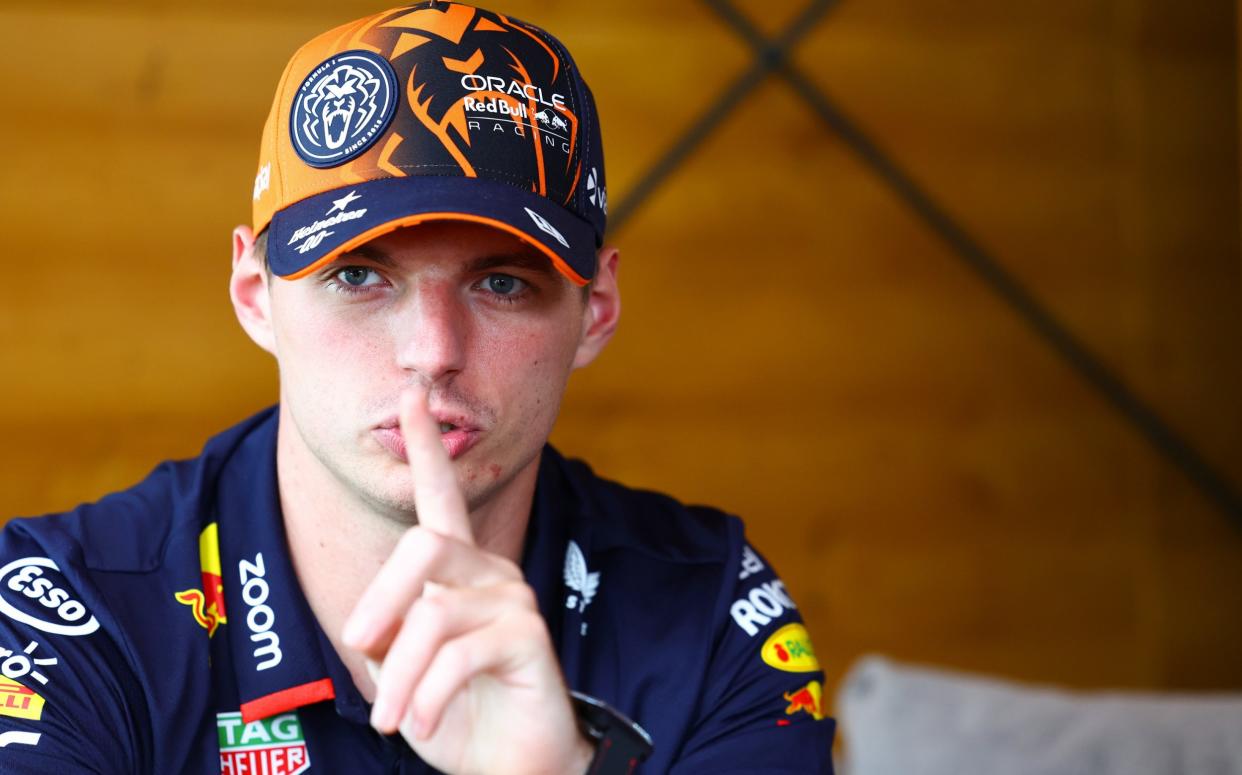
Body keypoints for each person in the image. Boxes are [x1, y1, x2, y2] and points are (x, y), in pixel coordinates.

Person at [0, 2, 835, 772]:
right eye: (359, 275)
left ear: (597, 308)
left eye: (502, 284)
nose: (433, 351)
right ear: (255, 293)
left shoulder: (714, 614)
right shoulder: (71, 616)